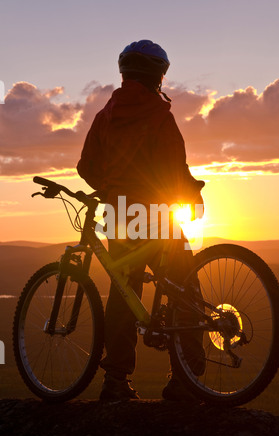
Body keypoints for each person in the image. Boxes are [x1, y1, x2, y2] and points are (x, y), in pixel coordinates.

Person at [77, 40, 205, 402]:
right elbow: (173, 168)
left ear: (124, 72)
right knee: (185, 288)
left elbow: (86, 166)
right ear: (159, 76)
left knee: (124, 290)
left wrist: (109, 188)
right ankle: (186, 380)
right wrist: (191, 194)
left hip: (120, 214)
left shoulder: (106, 114)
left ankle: (115, 381)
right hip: (156, 213)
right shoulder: (160, 115)